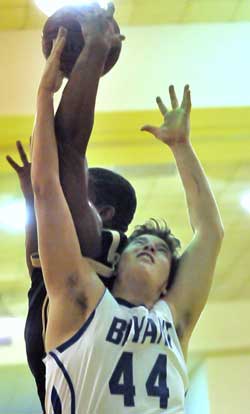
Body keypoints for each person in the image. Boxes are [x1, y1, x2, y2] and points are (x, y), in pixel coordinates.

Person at [31, 28, 223, 413]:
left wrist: (182, 148)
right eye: (141, 243)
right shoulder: (81, 299)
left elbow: (210, 232)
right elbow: (48, 192)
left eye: (163, 251)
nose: (152, 246)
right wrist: (43, 96)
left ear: (170, 281)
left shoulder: (175, 319)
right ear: (118, 262)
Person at [6, 6, 133, 411]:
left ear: (106, 212)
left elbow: (67, 147)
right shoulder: (73, 255)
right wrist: (31, 201)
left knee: (64, 152)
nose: (71, 185)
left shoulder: (93, 243)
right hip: (77, 380)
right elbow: (35, 267)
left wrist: (94, 50)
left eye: (83, 185)